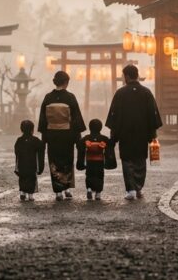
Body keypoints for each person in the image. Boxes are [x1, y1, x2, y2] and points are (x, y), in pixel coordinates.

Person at [105, 64, 162, 200]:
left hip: (125, 134)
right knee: (140, 160)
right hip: (142, 134)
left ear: (127, 76)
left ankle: (130, 189)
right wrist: (152, 134)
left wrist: (114, 136)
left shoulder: (120, 93)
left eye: (123, 75)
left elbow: (115, 115)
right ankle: (138, 188)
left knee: (127, 160)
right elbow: (152, 115)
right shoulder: (146, 93)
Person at [38, 70, 86, 201]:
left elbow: (43, 119)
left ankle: (58, 191)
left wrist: (44, 135)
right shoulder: (70, 97)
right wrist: (77, 136)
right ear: (66, 82)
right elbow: (76, 118)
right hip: (67, 134)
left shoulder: (48, 97)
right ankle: (67, 188)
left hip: (52, 133)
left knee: (54, 161)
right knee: (67, 160)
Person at [76, 119, 110, 201]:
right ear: (100, 128)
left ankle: (89, 189)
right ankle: (98, 193)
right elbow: (110, 145)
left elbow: (79, 145)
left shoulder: (86, 138)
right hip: (100, 161)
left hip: (90, 161)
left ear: (90, 127)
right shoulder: (104, 138)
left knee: (89, 175)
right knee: (99, 175)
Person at [14, 120, 45, 201]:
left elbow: (16, 151)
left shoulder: (19, 140)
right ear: (32, 129)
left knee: (22, 178)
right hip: (32, 164)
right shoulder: (35, 140)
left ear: (21, 129)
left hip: (22, 163)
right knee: (31, 179)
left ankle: (22, 193)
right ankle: (30, 195)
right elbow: (41, 147)